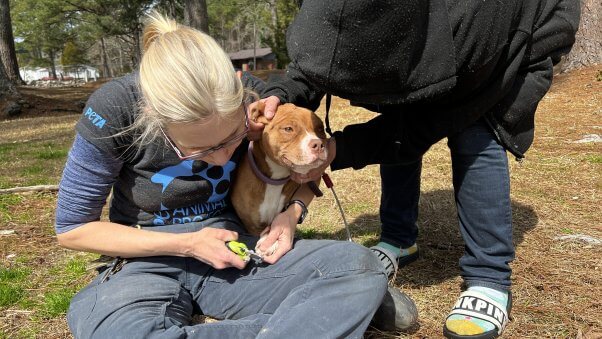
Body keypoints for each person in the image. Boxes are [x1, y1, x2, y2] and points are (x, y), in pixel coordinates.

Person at [54, 12, 389, 338]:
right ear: (154, 118)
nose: (221, 158)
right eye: (200, 151)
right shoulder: (114, 107)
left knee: (357, 266)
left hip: (238, 251)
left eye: (232, 138)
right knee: (121, 330)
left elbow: (307, 159)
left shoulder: (255, 99)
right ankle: (309, 319)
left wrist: (293, 212)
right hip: (145, 260)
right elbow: (73, 229)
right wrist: (186, 244)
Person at [258, 1, 580, 338]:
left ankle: (489, 274)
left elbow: (421, 128)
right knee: (401, 100)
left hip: (510, 40)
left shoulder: (468, 27)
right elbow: (316, 63)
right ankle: (399, 240)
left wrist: (338, 150)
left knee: (476, 132)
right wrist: (281, 94)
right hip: (424, 40)